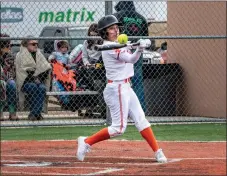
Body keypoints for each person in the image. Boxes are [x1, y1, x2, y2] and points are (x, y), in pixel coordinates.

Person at [76, 15, 167, 163]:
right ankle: (86, 141)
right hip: (116, 88)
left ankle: (157, 151)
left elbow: (128, 51)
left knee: (141, 119)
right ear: (104, 32)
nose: (116, 30)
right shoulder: (108, 47)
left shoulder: (119, 43)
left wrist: (137, 45)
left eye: (116, 27)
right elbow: (131, 59)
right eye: (112, 28)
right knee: (118, 128)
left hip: (126, 86)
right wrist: (139, 49)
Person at [113, 1, 149, 112]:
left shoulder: (116, 16)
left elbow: (112, 33)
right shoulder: (141, 18)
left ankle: (120, 109)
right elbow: (145, 36)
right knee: (137, 80)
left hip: (122, 49)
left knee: (120, 80)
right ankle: (140, 109)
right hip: (137, 49)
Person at [15, 37, 52, 121]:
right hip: (25, 82)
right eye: (33, 44)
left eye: (36, 44)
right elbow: (21, 72)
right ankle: (37, 113)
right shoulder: (20, 55)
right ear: (25, 45)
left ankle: (34, 113)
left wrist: (38, 78)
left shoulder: (39, 54)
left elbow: (46, 69)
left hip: (39, 81)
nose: (36, 46)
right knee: (33, 87)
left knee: (42, 88)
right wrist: (34, 78)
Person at [0, 33, 18, 121]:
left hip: (6, 78)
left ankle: (12, 112)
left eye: (8, 44)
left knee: (12, 84)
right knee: (1, 84)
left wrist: (3, 56)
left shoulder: (10, 55)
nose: (8, 46)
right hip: (1, 79)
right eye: (6, 45)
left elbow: (10, 72)